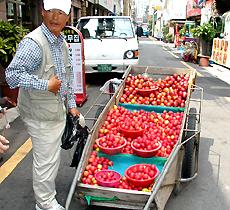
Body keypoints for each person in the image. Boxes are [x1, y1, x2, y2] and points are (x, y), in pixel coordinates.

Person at [5, 0, 84, 209]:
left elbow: (67, 77)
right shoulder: (34, 43)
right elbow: (12, 75)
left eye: (61, 13)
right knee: (46, 160)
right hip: (39, 112)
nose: (56, 17)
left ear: (68, 17)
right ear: (42, 12)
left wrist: (72, 105)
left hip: (56, 109)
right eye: (51, 11)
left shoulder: (62, 42)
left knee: (73, 131)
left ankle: (48, 190)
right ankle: (45, 203)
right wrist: (45, 84)